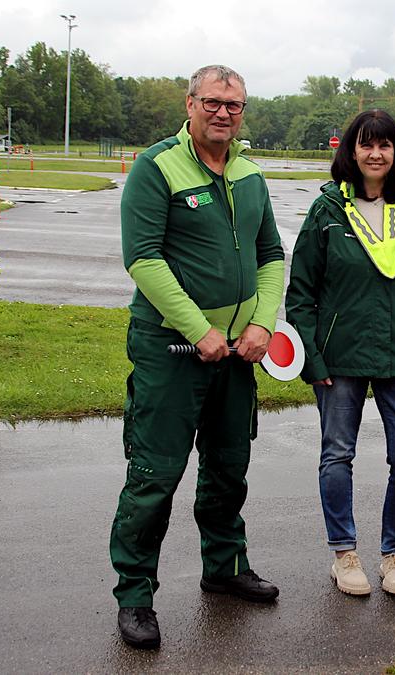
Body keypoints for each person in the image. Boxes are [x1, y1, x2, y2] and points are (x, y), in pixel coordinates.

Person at [110, 64, 285, 649]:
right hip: (172, 349)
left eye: (233, 105)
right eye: (212, 102)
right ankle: (135, 593)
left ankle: (225, 567)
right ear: (190, 104)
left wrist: (262, 323)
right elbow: (143, 258)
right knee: (156, 474)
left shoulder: (251, 174)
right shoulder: (156, 167)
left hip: (239, 353)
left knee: (229, 466)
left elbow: (271, 256)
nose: (223, 113)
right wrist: (197, 328)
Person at [285, 110, 395, 598]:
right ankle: (345, 554)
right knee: (337, 454)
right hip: (341, 359)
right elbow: (302, 293)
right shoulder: (327, 210)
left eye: (385, 145)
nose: (375, 153)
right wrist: (312, 359)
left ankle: (394, 554)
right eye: (366, 144)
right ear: (351, 151)